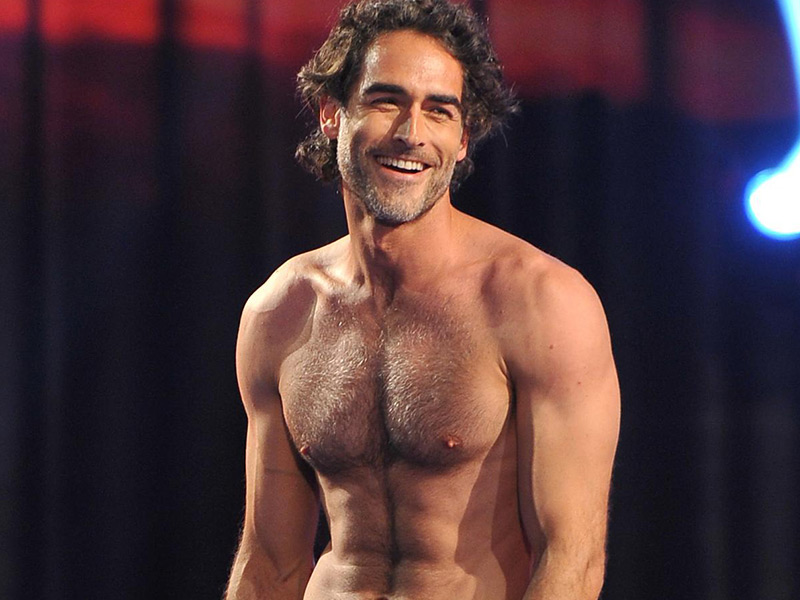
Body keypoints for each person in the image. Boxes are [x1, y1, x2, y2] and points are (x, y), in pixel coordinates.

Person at [225, 0, 620, 598]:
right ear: (332, 113)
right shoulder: (280, 311)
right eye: (387, 101)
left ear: (462, 140)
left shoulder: (540, 301)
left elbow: (571, 558)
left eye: (439, 110)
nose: (411, 133)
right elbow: (269, 561)